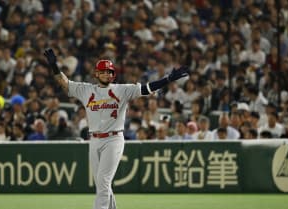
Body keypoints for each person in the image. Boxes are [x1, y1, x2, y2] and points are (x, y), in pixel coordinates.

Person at [44, 48, 189, 209]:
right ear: (96, 74)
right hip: (94, 140)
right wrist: (54, 66)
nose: (106, 74)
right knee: (101, 184)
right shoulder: (86, 90)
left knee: (103, 181)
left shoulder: (122, 90)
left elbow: (146, 88)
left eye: (109, 71)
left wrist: (167, 79)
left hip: (113, 139)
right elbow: (64, 83)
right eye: (103, 71)